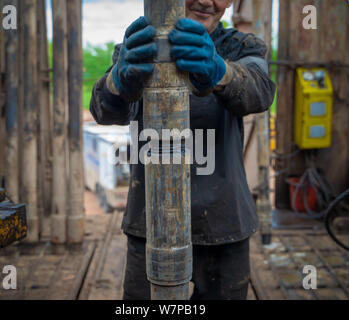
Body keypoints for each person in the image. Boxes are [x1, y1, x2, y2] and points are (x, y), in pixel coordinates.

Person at [90, 0, 276, 300]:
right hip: (149, 223)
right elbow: (103, 111)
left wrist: (221, 72)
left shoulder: (241, 47)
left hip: (223, 221)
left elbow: (258, 91)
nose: (206, 1)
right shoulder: (141, 45)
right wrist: (117, 81)